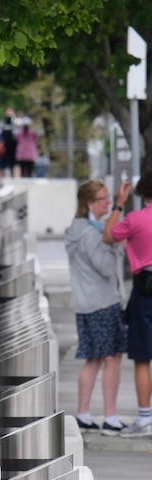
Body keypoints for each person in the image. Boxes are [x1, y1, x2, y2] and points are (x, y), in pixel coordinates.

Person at [65, 180, 127, 435]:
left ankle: (84, 413)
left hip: (86, 303)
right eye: (103, 199)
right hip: (103, 301)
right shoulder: (92, 234)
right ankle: (110, 416)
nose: (108, 202)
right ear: (89, 203)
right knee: (112, 358)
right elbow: (106, 267)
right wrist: (115, 245)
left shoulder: (75, 230)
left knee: (93, 359)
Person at [104, 176, 152, 438]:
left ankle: (145, 418)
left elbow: (108, 236)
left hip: (146, 292)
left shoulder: (135, 220)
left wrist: (119, 204)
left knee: (143, 357)